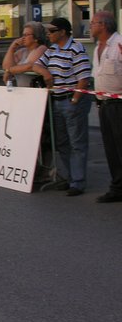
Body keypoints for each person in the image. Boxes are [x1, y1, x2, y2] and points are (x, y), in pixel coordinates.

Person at [32, 17, 92, 197]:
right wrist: (45, 73)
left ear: (62, 32)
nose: (48, 34)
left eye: (51, 31)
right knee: (62, 142)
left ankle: (78, 181)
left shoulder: (76, 48)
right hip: (57, 100)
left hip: (71, 100)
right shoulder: (53, 49)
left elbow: (84, 77)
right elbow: (36, 64)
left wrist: (75, 99)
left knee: (77, 142)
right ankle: (69, 176)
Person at [89, 11, 122, 203]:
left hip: (119, 103)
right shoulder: (97, 48)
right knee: (111, 148)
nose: (90, 26)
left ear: (104, 25)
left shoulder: (118, 44)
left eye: (93, 23)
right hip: (104, 104)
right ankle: (117, 187)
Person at [2, 22, 48, 87]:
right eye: (23, 35)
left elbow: (29, 66)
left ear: (36, 38)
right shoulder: (22, 51)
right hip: (22, 91)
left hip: (35, 90)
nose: (23, 38)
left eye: (26, 35)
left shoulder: (41, 48)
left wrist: (10, 70)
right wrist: (12, 48)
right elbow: (6, 67)